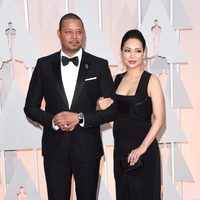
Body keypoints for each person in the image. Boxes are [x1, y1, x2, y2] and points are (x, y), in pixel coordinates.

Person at [24, 13, 115, 200]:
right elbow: (30, 107)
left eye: (79, 32)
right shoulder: (43, 65)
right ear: (59, 34)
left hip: (88, 149)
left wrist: (80, 118)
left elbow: (112, 110)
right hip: (55, 150)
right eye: (69, 32)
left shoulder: (99, 65)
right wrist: (53, 120)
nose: (74, 36)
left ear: (84, 34)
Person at [97, 29, 165, 200]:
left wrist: (142, 148)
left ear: (144, 53)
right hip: (121, 152)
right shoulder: (116, 80)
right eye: (127, 50)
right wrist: (99, 107)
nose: (132, 55)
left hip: (144, 153)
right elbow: (113, 116)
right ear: (121, 53)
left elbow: (160, 118)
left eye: (137, 50)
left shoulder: (152, 80)